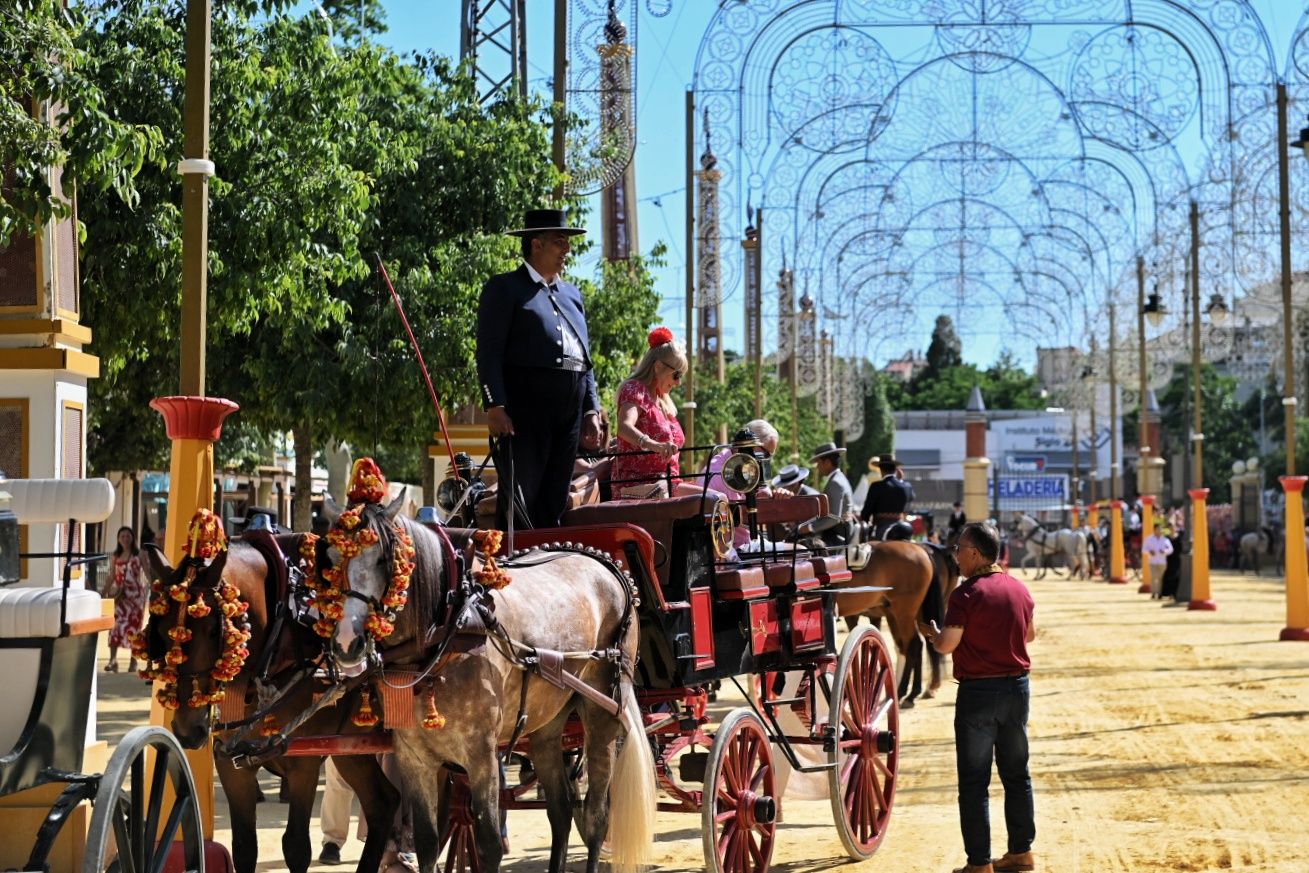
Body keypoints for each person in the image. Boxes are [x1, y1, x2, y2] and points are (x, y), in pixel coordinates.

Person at [476, 208, 604, 529]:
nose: (567, 250)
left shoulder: (572, 295)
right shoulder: (504, 288)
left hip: (568, 412)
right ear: (536, 245)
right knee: (521, 495)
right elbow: (489, 351)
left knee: (555, 495)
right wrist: (495, 404)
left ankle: (546, 558)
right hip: (525, 411)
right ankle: (514, 563)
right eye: (560, 242)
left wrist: (591, 408)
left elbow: (584, 358)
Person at [923, 522, 1036, 873]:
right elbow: (1028, 636)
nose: (955, 555)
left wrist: (932, 634)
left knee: (974, 781)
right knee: (1017, 774)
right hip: (1017, 689)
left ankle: (979, 863)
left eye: (958, 548)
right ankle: (1021, 852)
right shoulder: (1019, 589)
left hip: (979, 694)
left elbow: (947, 644)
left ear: (974, 553)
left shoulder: (965, 594)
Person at [609, 327, 687, 498]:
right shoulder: (635, 389)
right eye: (676, 375)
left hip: (666, 484)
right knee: (712, 501)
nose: (679, 383)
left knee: (717, 500)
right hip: (640, 486)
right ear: (658, 367)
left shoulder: (662, 400)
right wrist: (654, 445)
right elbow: (623, 427)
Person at [795, 442, 853, 549]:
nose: (817, 467)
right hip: (834, 532)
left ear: (827, 462)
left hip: (836, 536)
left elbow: (834, 518)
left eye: (818, 463)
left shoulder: (835, 482)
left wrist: (810, 527)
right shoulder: (839, 478)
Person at [104, 526, 145, 673]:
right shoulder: (116, 555)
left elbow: (147, 572)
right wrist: (104, 592)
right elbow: (111, 576)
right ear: (118, 539)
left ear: (133, 538)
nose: (125, 539)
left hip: (135, 597)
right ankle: (112, 660)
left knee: (134, 629)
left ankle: (133, 661)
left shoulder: (139, 554)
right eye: (122, 536)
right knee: (115, 627)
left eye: (128, 536)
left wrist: (156, 588)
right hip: (120, 597)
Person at [860, 454, 915, 540]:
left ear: (881, 470)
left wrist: (865, 524)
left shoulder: (876, 486)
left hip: (881, 528)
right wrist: (901, 481)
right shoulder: (907, 486)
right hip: (902, 526)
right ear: (895, 469)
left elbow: (866, 512)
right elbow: (911, 497)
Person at [1142, 521, 1174, 598]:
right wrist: (1149, 552)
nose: (1159, 531)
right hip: (1153, 561)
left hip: (1162, 561)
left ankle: (1160, 593)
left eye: (1160, 529)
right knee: (1154, 577)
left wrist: (1165, 551)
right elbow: (1144, 549)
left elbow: (1171, 549)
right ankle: (1153, 592)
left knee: (1161, 578)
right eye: (1158, 529)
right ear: (1154, 530)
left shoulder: (1165, 540)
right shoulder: (1149, 539)